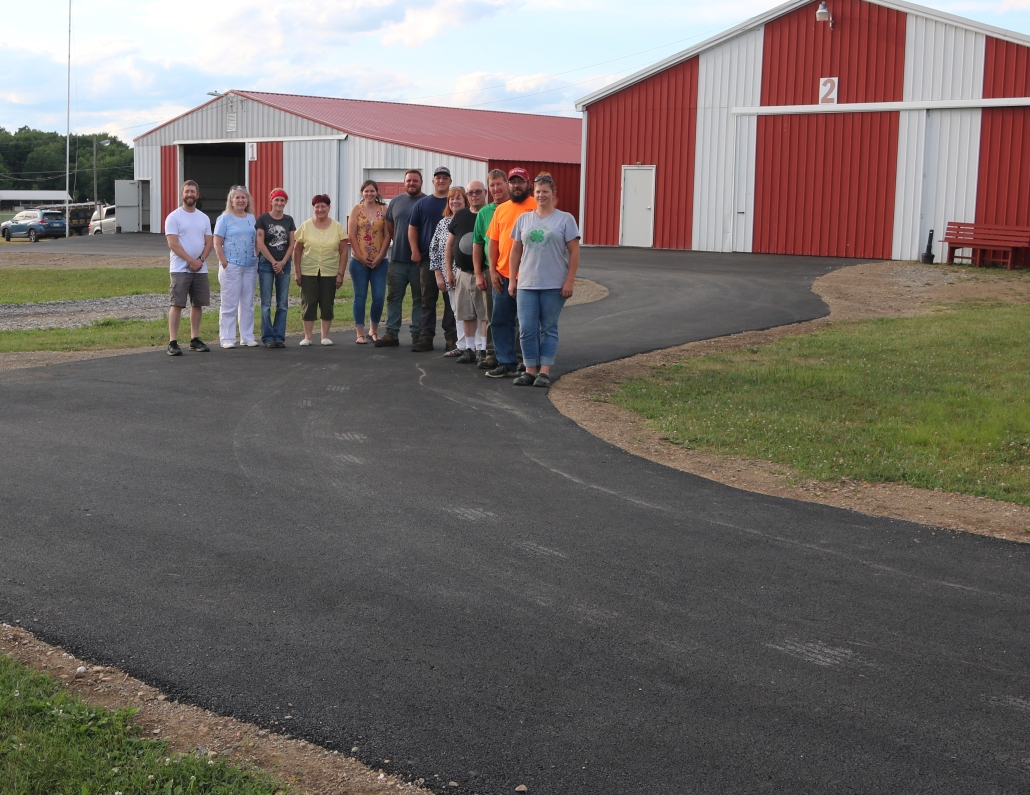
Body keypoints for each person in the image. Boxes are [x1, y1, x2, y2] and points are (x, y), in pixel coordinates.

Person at [508, 173, 580, 388]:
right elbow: (515, 251)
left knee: (548, 327)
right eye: (538, 191)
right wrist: (513, 279)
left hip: (553, 284)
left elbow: (574, 252)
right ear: (534, 193)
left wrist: (569, 281)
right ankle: (530, 369)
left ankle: (545, 371)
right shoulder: (524, 219)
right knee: (527, 328)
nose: (541, 195)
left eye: (545, 192)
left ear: (552, 193)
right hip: (527, 283)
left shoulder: (565, 219)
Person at [485, 167, 537, 377]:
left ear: (528, 184)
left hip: (530, 275)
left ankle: (529, 363)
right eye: (513, 182)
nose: (517, 186)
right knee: (500, 320)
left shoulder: (536, 206)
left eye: (521, 182)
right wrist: (493, 270)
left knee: (529, 322)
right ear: (509, 184)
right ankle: (506, 362)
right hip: (504, 275)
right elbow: (493, 242)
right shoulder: (501, 209)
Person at [408, 166, 458, 352]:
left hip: (453, 263)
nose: (441, 180)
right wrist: (415, 250)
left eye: (445, 177)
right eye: (438, 177)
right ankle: (425, 338)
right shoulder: (422, 203)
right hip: (428, 260)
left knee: (450, 300)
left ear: (450, 181)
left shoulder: (455, 202)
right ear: (433, 181)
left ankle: (452, 339)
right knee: (427, 300)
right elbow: (412, 228)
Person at [375, 170, 425, 348]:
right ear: (404, 182)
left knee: (420, 299)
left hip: (420, 262)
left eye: (415, 180)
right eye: (409, 180)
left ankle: (417, 334)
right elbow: (390, 228)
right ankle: (391, 333)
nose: (412, 183)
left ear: (421, 182)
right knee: (394, 297)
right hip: (397, 258)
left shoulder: (426, 202)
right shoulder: (396, 202)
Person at [165, 180, 213, 356]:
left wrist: (200, 260)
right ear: (181, 195)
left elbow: (209, 243)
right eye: (187, 192)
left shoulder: (204, 218)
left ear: (197, 195)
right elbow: (173, 244)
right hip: (180, 268)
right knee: (177, 304)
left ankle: (194, 339)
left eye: (193, 191)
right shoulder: (174, 217)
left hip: (200, 268)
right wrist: (191, 261)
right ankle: (172, 341)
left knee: (198, 304)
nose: (190, 194)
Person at [445, 181, 490, 365]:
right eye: (470, 192)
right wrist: (449, 270)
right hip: (463, 273)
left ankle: (483, 349)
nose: (474, 195)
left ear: (485, 193)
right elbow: (449, 244)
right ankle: (469, 349)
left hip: (485, 272)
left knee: (484, 314)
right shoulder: (460, 215)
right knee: (466, 312)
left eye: (478, 192)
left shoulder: (490, 214)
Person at [293, 194, 348, 346]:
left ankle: (325, 336)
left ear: (329, 208)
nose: (320, 209)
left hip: (330, 271)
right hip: (308, 271)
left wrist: (340, 273)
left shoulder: (338, 227)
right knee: (309, 303)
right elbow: (297, 250)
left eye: (323, 206)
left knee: (327, 303)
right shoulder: (305, 226)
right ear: (313, 208)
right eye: (317, 206)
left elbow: (344, 252)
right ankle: (308, 337)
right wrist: (297, 271)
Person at [472, 169, 510, 369]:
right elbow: (478, 243)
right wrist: (479, 273)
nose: (496, 189)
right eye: (492, 185)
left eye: (499, 184)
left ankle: (517, 355)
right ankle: (492, 353)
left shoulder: (517, 207)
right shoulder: (485, 213)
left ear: (507, 184)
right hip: (491, 270)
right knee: (491, 315)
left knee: (516, 316)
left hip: (514, 270)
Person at [214, 185, 259, 349]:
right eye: (237, 198)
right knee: (229, 303)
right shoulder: (224, 218)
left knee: (247, 303)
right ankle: (227, 338)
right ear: (231, 201)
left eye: (243, 197)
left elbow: (257, 240)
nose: (240, 200)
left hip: (250, 266)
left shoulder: (251, 218)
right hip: (231, 265)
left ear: (247, 200)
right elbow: (217, 242)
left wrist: (257, 256)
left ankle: (247, 336)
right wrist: (224, 262)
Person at [347, 180, 391, 344]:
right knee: (360, 296)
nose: (369, 194)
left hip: (380, 261)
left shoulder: (384, 209)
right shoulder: (356, 210)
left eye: (372, 191)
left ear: (377, 192)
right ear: (362, 193)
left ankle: (373, 330)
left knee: (379, 296)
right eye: (366, 191)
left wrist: (380, 256)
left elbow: (388, 234)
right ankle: (360, 332)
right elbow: (351, 234)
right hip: (359, 261)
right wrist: (360, 256)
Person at [429, 186, 469, 354]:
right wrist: (439, 274)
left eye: (458, 198)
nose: (454, 201)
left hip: (469, 273)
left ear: (465, 201)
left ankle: (476, 346)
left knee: (472, 311)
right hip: (449, 275)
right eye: (451, 199)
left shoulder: (471, 219)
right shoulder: (443, 222)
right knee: (456, 310)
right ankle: (462, 346)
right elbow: (434, 249)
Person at [255, 188, 296, 348]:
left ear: (285, 203)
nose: (279, 203)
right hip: (266, 264)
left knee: (282, 303)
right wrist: (273, 262)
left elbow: (292, 243)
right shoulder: (263, 219)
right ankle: (268, 338)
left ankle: (279, 336)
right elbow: (260, 243)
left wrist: (283, 262)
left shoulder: (289, 220)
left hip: (284, 264)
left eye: (282, 200)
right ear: (271, 201)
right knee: (266, 303)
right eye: (276, 200)